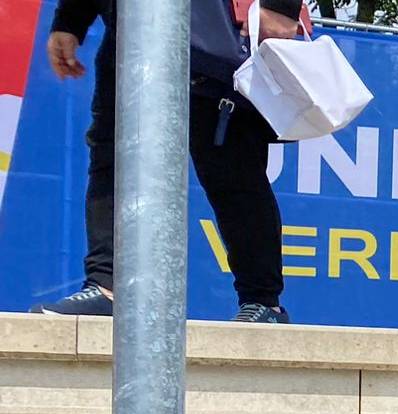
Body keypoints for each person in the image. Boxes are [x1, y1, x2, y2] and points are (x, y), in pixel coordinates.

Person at [32, 0, 303, 322]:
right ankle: (106, 287)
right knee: (115, 158)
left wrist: (281, 5)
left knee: (233, 171)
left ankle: (263, 302)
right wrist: (71, 19)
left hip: (212, 33)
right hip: (131, 31)